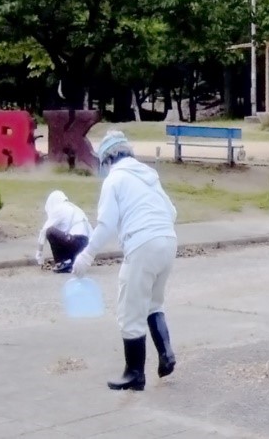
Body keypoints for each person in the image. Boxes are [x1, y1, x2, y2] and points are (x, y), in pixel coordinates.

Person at [72, 131, 178, 391]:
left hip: (142, 244)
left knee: (130, 311)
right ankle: (166, 354)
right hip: (168, 240)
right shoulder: (149, 175)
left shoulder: (115, 179)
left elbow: (106, 224)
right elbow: (172, 211)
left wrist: (87, 255)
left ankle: (134, 373)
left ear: (107, 159)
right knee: (153, 303)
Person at [35, 190, 92, 273]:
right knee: (62, 235)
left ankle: (62, 262)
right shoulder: (76, 208)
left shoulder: (59, 209)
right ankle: (72, 261)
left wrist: (39, 253)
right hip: (85, 245)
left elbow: (44, 230)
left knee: (50, 231)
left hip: (75, 241)